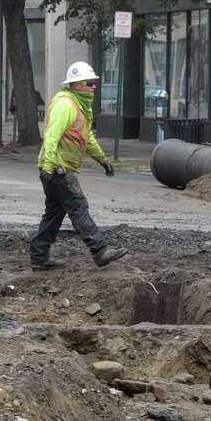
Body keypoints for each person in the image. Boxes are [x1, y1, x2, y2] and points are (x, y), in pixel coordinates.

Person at [30, 61, 126, 271]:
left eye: (94, 83)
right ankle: (99, 250)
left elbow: (87, 138)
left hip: (56, 168)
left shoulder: (81, 107)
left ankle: (39, 255)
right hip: (57, 168)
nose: (94, 87)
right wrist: (48, 165)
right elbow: (52, 135)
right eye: (89, 83)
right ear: (75, 84)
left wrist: (103, 160)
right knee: (78, 207)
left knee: (54, 213)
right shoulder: (66, 104)